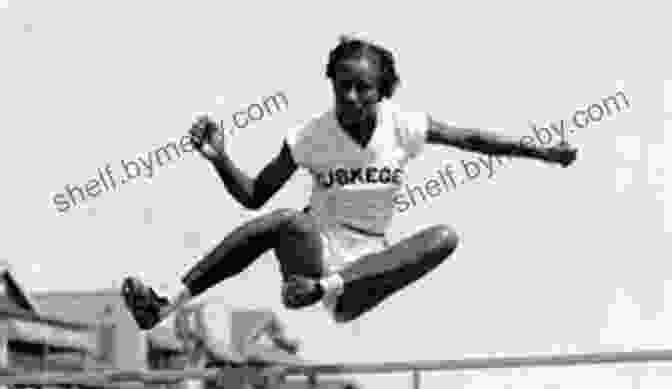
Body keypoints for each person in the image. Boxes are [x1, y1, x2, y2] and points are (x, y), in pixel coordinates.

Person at [122, 35, 577, 330]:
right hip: (314, 255)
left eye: (364, 88)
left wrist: (540, 151)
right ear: (331, 84)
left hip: (363, 272)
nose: (352, 98)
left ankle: (328, 289)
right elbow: (254, 196)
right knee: (286, 220)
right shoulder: (309, 136)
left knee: (446, 236)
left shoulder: (403, 127)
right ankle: (165, 303)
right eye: (343, 87)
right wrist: (220, 159)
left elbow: (473, 139)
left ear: (383, 91)